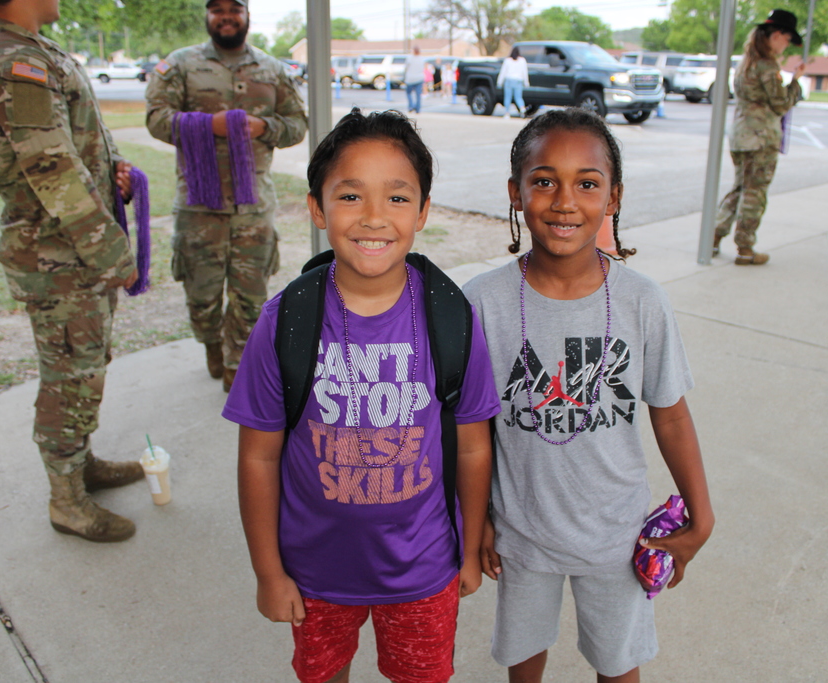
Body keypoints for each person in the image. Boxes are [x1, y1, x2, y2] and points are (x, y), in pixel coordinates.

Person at [223, 109, 501, 683]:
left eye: (398, 198)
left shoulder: (452, 318)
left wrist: (469, 549)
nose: (374, 217)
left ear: (423, 211)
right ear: (318, 208)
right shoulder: (285, 323)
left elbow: (473, 447)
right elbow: (258, 455)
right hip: (315, 574)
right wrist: (268, 573)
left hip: (424, 569)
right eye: (351, 196)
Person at [462, 108, 715, 683]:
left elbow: (671, 416)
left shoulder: (643, 302)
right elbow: (470, 429)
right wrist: (475, 520)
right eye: (544, 180)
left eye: (587, 183)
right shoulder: (482, 303)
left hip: (617, 535)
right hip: (522, 531)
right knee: (523, 656)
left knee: (619, 661)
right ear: (515, 192)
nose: (564, 201)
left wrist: (701, 516)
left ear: (614, 197)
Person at [0, 0, 145, 542]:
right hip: (58, 258)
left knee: (84, 367)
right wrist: (112, 251)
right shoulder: (15, 64)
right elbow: (53, 170)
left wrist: (113, 166)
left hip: (70, 253)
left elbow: (76, 140)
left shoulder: (31, 49)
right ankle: (67, 502)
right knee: (69, 377)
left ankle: (81, 466)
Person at [145, 0, 307, 391]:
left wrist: (261, 127)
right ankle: (211, 343)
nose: (226, 15)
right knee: (201, 296)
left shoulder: (272, 68)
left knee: (251, 296)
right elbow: (155, 119)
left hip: (253, 205)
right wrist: (206, 125)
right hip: (199, 206)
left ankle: (238, 362)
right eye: (216, 8)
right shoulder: (181, 64)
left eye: (233, 7)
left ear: (247, 14)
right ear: (207, 16)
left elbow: (297, 124)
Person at [713, 9, 807, 265]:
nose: (786, 45)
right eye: (786, 39)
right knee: (755, 193)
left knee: (740, 188)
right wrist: (796, 81)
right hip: (762, 139)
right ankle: (745, 248)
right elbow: (780, 104)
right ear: (777, 35)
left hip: (741, 135)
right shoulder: (767, 65)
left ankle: (714, 235)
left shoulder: (745, 63)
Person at [497, 47, 529, 119]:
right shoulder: (522, 60)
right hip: (518, 81)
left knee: (507, 97)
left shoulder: (507, 60)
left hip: (509, 80)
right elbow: (524, 72)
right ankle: (522, 109)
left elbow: (503, 72)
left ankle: (507, 113)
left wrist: (499, 82)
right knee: (518, 97)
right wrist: (526, 82)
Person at [404, 46, 426, 114]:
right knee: (418, 94)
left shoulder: (409, 58)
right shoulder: (422, 59)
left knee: (408, 93)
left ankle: (411, 106)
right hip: (419, 78)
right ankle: (418, 109)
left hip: (410, 78)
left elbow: (406, 68)